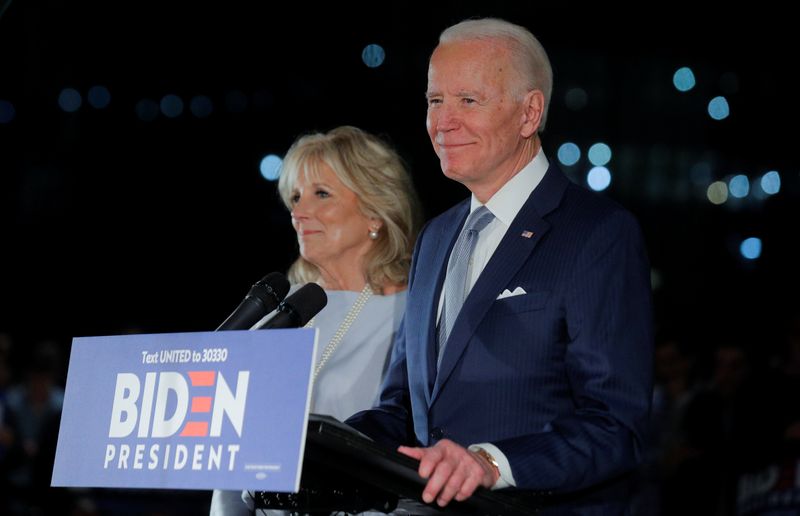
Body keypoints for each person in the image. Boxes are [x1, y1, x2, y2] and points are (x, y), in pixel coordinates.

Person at [346, 17, 654, 512]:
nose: (443, 122)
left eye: (468, 100)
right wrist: (318, 439)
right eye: (435, 100)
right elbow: (403, 409)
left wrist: (490, 464)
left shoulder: (597, 233)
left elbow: (616, 426)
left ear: (529, 113)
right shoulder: (435, 237)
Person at [210, 125, 422, 515]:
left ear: (376, 210)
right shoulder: (278, 314)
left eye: (321, 194)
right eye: (295, 197)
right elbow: (233, 450)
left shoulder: (414, 311)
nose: (299, 212)